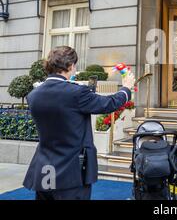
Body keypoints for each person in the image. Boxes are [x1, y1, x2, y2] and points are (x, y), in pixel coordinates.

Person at [23, 46, 135, 200]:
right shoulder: (76, 93)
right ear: (70, 66)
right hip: (71, 170)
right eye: (74, 66)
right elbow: (109, 104)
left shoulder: (33, 95)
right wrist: (127, 88)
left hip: (44, 167)